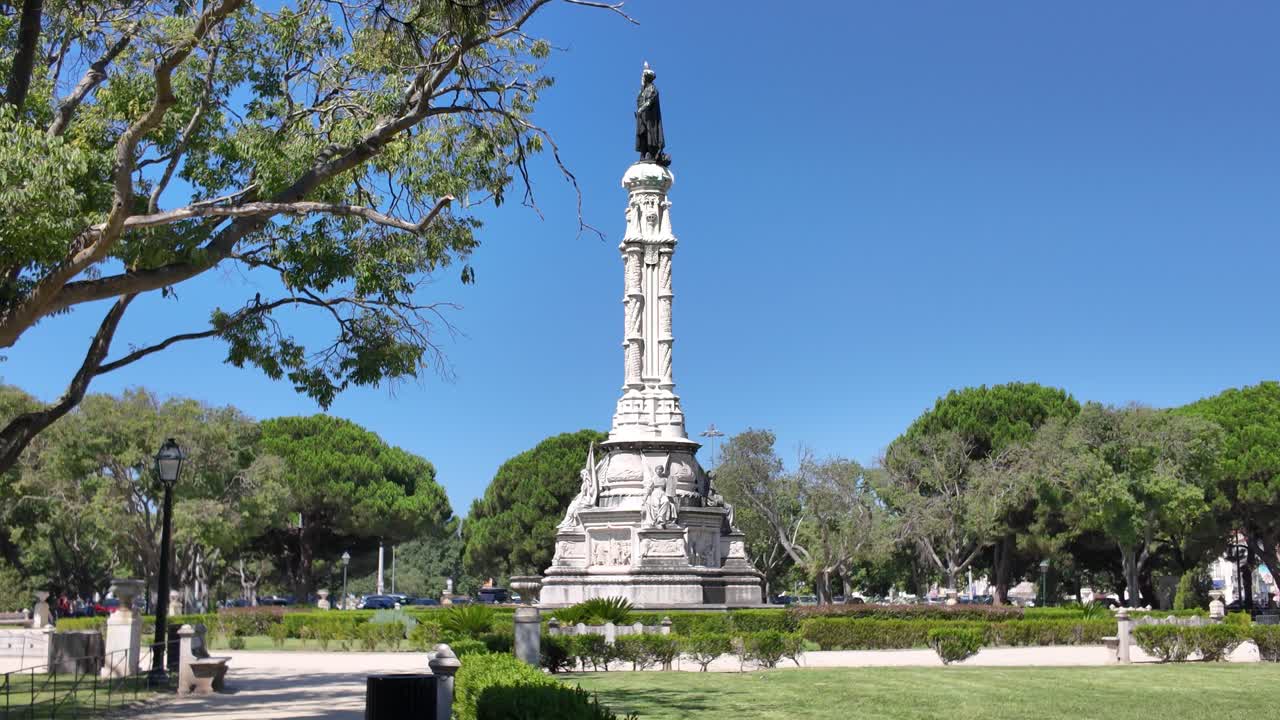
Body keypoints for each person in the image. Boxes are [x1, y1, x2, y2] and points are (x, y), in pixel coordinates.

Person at [635, 63, 668, 165]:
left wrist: (641, 109)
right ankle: (643, 154)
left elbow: (649, 102)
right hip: (642, 117)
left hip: (650, 118)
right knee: (642, 134)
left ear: (647, 78)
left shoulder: (653, 89)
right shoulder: (643, 90)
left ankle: (651, 153)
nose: (642, 79)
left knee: (650, 135)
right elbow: (639, 100)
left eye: (643, 77)